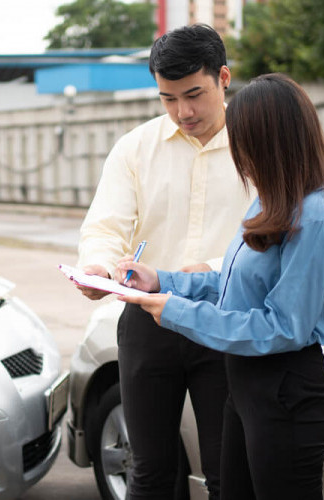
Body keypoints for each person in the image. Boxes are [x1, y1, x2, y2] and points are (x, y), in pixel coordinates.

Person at [117, 73, 324, 500]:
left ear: (271, 144)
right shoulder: (272, 201)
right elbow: (233, 286)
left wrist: (175, 311)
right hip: (246, 388)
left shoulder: (315, 219)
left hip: (285, 395)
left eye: (243, 142)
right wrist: (163, 280)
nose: (237, 154)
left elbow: (282, 328)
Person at [77, 24, 254, 499]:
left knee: (228, 474)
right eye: (168, 99)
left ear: (223, 78)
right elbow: (105, 227)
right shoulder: (136, 148)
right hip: (148, 321)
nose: (183, 112)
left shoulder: (258, 145)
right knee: (149, 470)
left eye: (193, 94)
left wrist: (212, 269)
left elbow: (275, 233)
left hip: (227, 321)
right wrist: (98, 266)